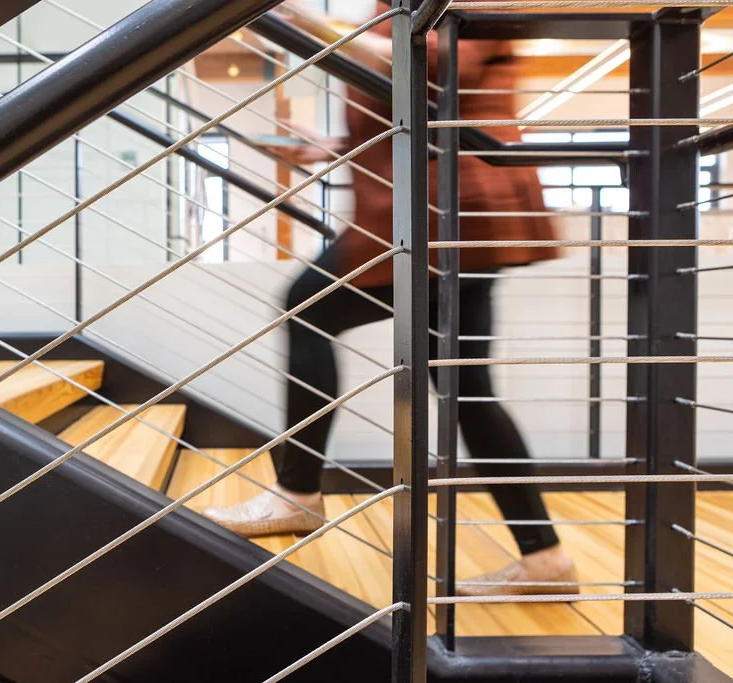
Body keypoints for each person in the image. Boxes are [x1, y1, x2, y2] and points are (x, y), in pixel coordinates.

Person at [202, 1, 578, 596]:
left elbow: (426, 64)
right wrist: (333, 145)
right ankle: (545, 558)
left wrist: (301, 17)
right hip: (446, 204)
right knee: (463, 385)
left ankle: (297, 492)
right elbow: (407, 91)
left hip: (443, 203)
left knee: (309, 310)